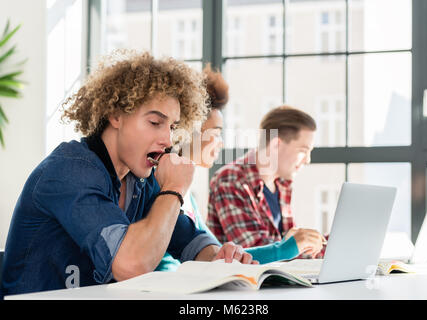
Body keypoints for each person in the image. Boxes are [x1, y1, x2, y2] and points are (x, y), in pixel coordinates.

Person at [0, 51, 254, 298]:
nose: (167, 139)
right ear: (116, 115)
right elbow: (131, 265)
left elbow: (191, 240)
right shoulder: (68, 172)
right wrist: (174, 189)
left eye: (172, 127)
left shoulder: (140, 181)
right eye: (155, 123)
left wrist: (221, 257)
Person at [156, 65, 323, 271]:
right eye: (215, 133)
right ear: (190, 130)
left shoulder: (186, 192)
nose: (221, 143)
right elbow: (214, 260)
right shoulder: (164, 187)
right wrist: (288, 248)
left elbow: (215, 256)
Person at [207, 104, 326, 258]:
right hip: (244, 280)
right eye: (303, 151)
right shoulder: (231, 180)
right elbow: (256, 251)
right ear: (276, 144)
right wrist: (309, 247)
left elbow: (287, 244)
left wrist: (325, 243)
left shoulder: (282, 185)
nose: (307, 160)